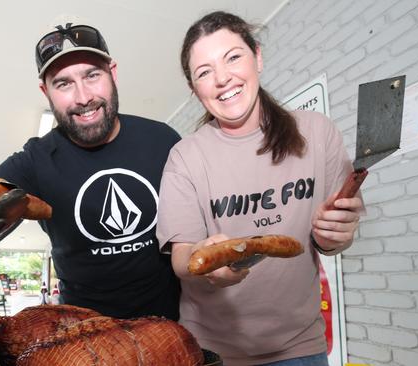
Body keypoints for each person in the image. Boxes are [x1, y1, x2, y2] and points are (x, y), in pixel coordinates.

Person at [0, 21, 181, 320]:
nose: (83, 97)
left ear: (113, 73)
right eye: (63, 83)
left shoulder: (163, 140)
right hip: (85, 334)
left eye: (92, 75)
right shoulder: (35, 161)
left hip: (169, 324)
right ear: (46, 91)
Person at [156, 11, 364, 365]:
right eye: (204, 72)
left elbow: (333, 237)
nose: (223, 78)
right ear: (195, 90)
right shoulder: (185, 156)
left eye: (233, 57)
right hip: (212, 350)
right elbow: (181, 256)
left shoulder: (318, 133)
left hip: (300, 347)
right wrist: (201, 260)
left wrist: (337, 234)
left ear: (258, 57)